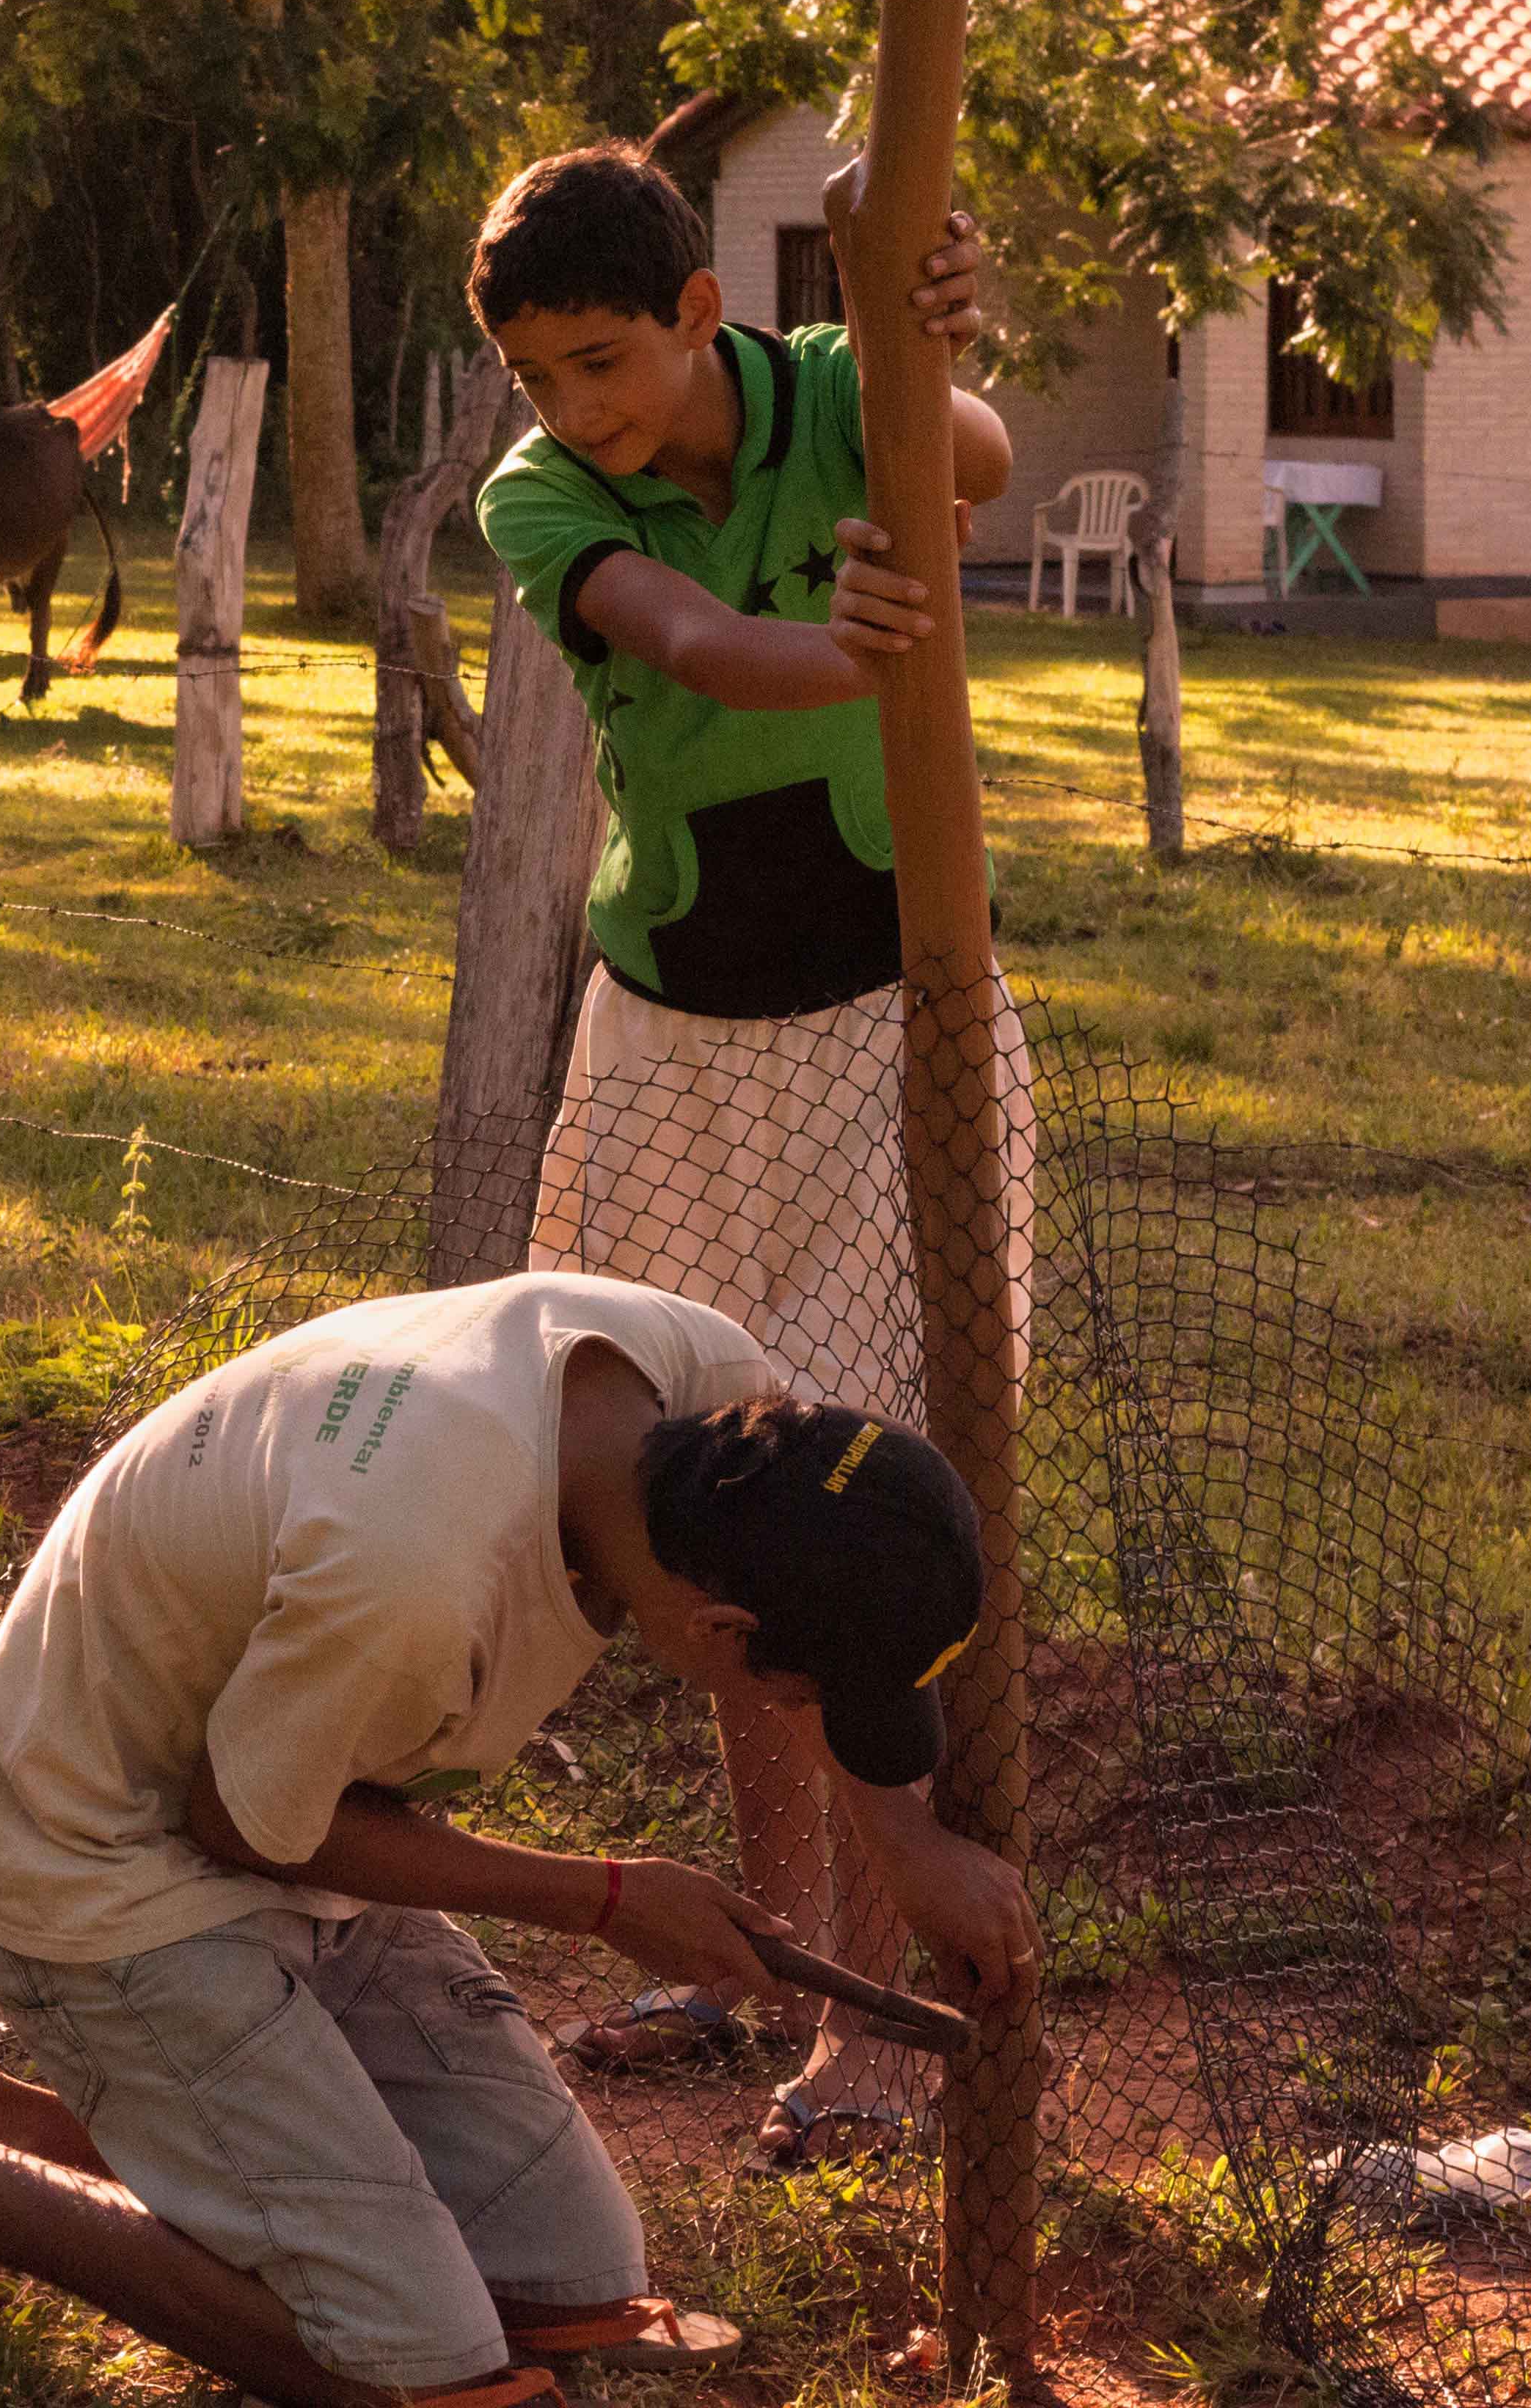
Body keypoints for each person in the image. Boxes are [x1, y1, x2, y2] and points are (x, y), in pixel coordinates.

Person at [0, 1270, 1045, 2408]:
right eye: (801, 1695)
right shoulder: (415, 1577)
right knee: (420, 2372)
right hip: (110, 1859)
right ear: (720, 1630)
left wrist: (901, 1840)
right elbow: (237, 1825)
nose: (800, 1721)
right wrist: (608, 1896)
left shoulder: (707, 1402)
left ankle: (59, 2126)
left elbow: (289, 1806)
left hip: (304, 1790)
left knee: (576, 2288)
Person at [465, 142, 1036, 2167]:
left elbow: (963, 449)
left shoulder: (825, 392)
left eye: (601, 359)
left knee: (858, 1514)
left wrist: (923, 318)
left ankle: (875, 2031)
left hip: (899, 1031)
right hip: (668, 1044)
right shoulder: (545, 496)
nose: (574, 407)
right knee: (705, 1501)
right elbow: (698, 649)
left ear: (703, 312)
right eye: (539, 373)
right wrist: (870, 656)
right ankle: (770, 1943)